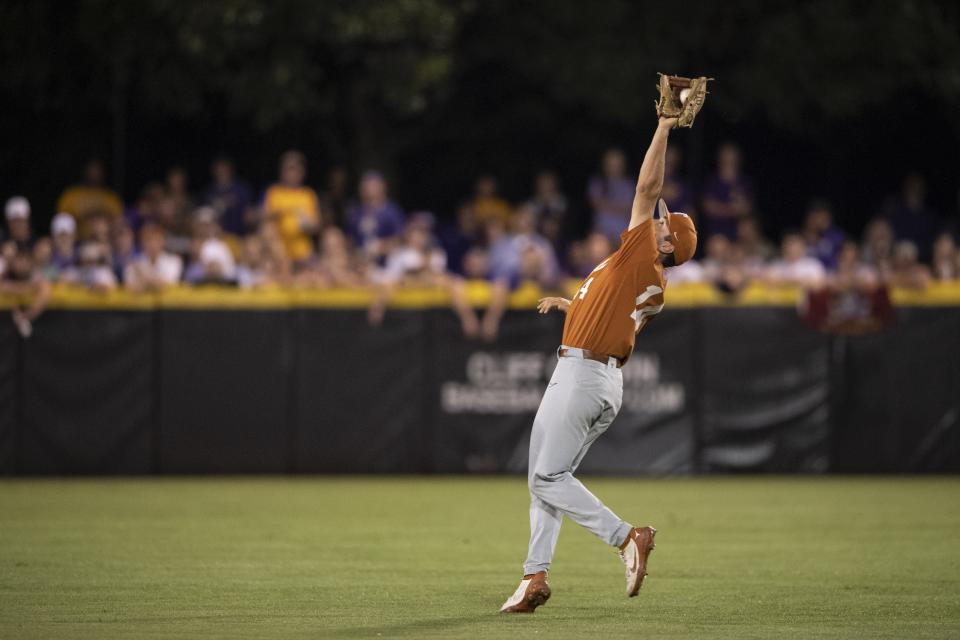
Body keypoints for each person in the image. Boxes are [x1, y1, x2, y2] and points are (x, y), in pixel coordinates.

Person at [499, 114, 697, 613]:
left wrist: (663, 126)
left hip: (585, 375)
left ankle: (627, 537)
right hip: (592, 373)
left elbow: (647, 184)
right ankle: (534, 577)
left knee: (547, 479)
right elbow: (619, 320)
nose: (655, 218)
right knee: (545, 478)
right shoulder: (644, 276)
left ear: (669, 244)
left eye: (663, 223)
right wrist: (575, 306)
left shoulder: (641, 257)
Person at [263, 150, 321, 264]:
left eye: (295, 169)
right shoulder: (274, 192)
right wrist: (277, 213)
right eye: (288, 169)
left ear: (302, 172)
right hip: (278, 254)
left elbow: (317, 226)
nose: (291, 173)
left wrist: (307, 223)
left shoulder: (308, 194)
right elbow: (264, 219)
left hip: (303, 253)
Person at [345, 171, 405, 263]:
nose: (369, 189)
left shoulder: (392, 212)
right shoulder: (356, 213)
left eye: (373, 186)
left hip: (387, 263)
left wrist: (380, 247)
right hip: (360, 263)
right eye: (366, 186)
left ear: (383, 187)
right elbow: (349, 240)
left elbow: (400, 240)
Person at [56, 159, 124, 239]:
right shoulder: (72, 195)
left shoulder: (110, 197)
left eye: (97, 171)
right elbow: (62, 219)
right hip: (77, 240)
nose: (94, 174)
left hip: (106, 240)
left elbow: (119, 218)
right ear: (84, 172)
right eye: (91, 170)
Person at [701, 143, 754, 240]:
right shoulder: (712, 181)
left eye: (732, 156)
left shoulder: (744, 182)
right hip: (716, 233)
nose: (729, 159)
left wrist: (721, 208)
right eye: (726, 156)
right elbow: (708, 207)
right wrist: (733, 209)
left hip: (739, 235)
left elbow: (747, 208)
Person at [588, 148, 634, 240]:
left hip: (623, 233)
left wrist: (607, 204)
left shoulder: (629, 184)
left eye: (617, 163)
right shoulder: (598, 182)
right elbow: (595, 203)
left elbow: (632, 208)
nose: (614, 166)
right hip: (601, 232)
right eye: (611, 163)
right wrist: (620, 207)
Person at [124, 224, 183, 292]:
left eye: (156, 240)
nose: (152, 244)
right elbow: (132, 288)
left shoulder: (174, 261)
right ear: (142, 243)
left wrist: (142, 274)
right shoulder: (133, 263)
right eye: (148, 240)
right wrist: (154, 282)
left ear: (163, 241)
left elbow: (168, 284)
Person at [204, 156, 254, 236]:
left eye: (225, 169)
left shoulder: (241, 190)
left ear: (230, 170)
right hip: (217, 237)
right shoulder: (210, 193)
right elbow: (206, 216)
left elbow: (249, 214)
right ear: (214, 171)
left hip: (239, 236)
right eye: (219, 169)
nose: (222, 172)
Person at [803, 200, 845, 270]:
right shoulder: (801, 237)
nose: (820, 221)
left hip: (832, 274)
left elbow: (844, 259)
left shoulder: (836, 236)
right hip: (807, 275)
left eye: (825, 218)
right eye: (817, 217)